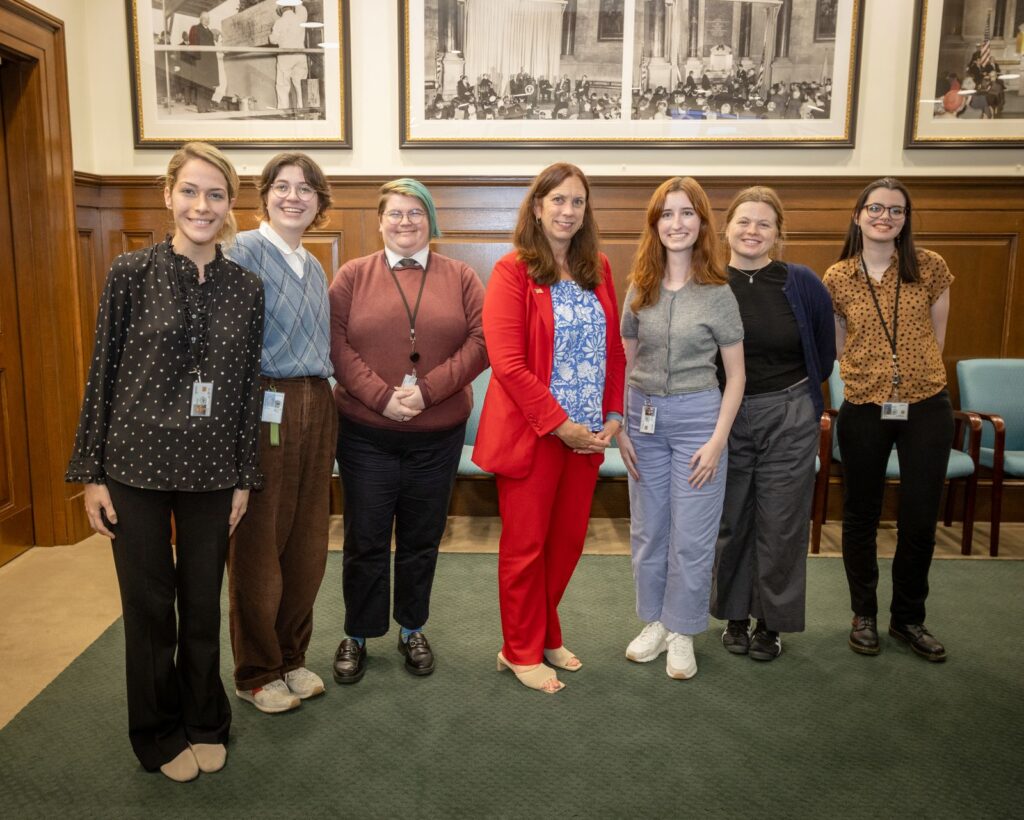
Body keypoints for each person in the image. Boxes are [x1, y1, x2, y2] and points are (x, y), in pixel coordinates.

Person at [65, 142, 263, 782]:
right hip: (135, 468)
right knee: (150, 610)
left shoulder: (246, 288)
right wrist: (91, 474)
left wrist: (243, 476)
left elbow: (248, 390)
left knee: (202, 604)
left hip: (211, 471)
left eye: (214, 194)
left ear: (230, 205)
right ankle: (156, 733)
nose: (201, 206)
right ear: (169, 195)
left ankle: (205, 720)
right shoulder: (129, 273)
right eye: (190, 191)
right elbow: (102, 374)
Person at [473, 163, 626, 694]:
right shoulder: (513, 271)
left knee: (566, 543)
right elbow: (508, 363)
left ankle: (545, 631)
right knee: (526, 546)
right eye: (557, 200)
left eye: (577, 202)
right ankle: (518, 649)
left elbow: (614, 351)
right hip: (536, 434)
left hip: (588, 437)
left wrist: (611, 414)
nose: (567, 211)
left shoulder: (599, 268)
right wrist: (561, 426)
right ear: (537, 207)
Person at [328, 178, 487, 683]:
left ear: (430, 222)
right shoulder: (352, 276)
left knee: (422, 539)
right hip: (365, 436)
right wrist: (380, 397)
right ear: (379, 221)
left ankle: (411, 626)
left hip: (437, 438)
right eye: (395, 213)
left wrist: (427, 392)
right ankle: (358, 632)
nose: (404, 222)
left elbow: (483, 341)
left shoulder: (461, 276)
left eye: (415, 214)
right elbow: (333, 343)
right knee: (365, 538)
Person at [617, 177, 744, 681]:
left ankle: (684, 629)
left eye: (687, 213)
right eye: (667, 214)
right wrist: (622, 426)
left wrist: (717, 440)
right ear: (655, 224)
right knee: (649, 533)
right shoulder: (639, 289)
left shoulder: (718, 292)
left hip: (699, 421)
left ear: (702, 224)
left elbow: (736, 376)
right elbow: (626, 366)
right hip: (643, 423)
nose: (677, 223)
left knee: (692, 537)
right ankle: (654, 622)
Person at [824, 177, 953, 663]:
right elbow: (838, 346)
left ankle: (908, 618)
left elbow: (937, 336)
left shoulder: (931, 267)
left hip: (926, 406)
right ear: (858, 216)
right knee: (860, 515)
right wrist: (872, 375)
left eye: (896, 210)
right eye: (875, 208)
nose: (885, 217)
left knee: (920, 518)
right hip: (863, 407)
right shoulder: (837, 277)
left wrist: (909, 377)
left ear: (905, 219)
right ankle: (864, 615)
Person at [225, 153, 336, 714]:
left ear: (319, 201)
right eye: (283, 187)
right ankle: (257, 671)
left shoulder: (314, 265)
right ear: (265, 194)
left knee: (307, 539)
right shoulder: (242, 251)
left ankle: (292, 656)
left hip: (318, 403)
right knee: (259, 542)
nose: (294, 197)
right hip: (264, 404)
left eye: (306, 189)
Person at [709, 187, 835, 662]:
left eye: (764, 223)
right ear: (726, 229)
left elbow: (822, 352)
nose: (752, 231)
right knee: (733, 519)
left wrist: (796, 400)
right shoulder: (708, 281)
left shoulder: (801, 282)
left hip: (789, 414)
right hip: (724, 417)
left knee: (781, 524)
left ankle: (770, 625)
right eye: (744, 221)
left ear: (778, 233)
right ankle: (736, 617)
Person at [269, 1, 309, 111]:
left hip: (285, 57)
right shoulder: (300, 18)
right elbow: (302, 8)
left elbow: (273, 40)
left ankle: (283, 113)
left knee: (283, 86)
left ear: (281, 9)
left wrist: (271, 34)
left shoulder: (279, 22)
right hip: (300, 55)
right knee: (301, 85)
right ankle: (303, 111)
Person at [188, 12, 220, 113]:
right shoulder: (195, 28)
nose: (207, 20)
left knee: (210, 86)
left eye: (208, 18)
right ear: (200, 19)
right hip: (201, 63)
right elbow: (193, 45)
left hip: (211, 63)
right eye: (205, 18)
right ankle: (201, 108)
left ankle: (207, 106)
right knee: (202, 86)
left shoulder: (210, 32)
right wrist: (197, 62)